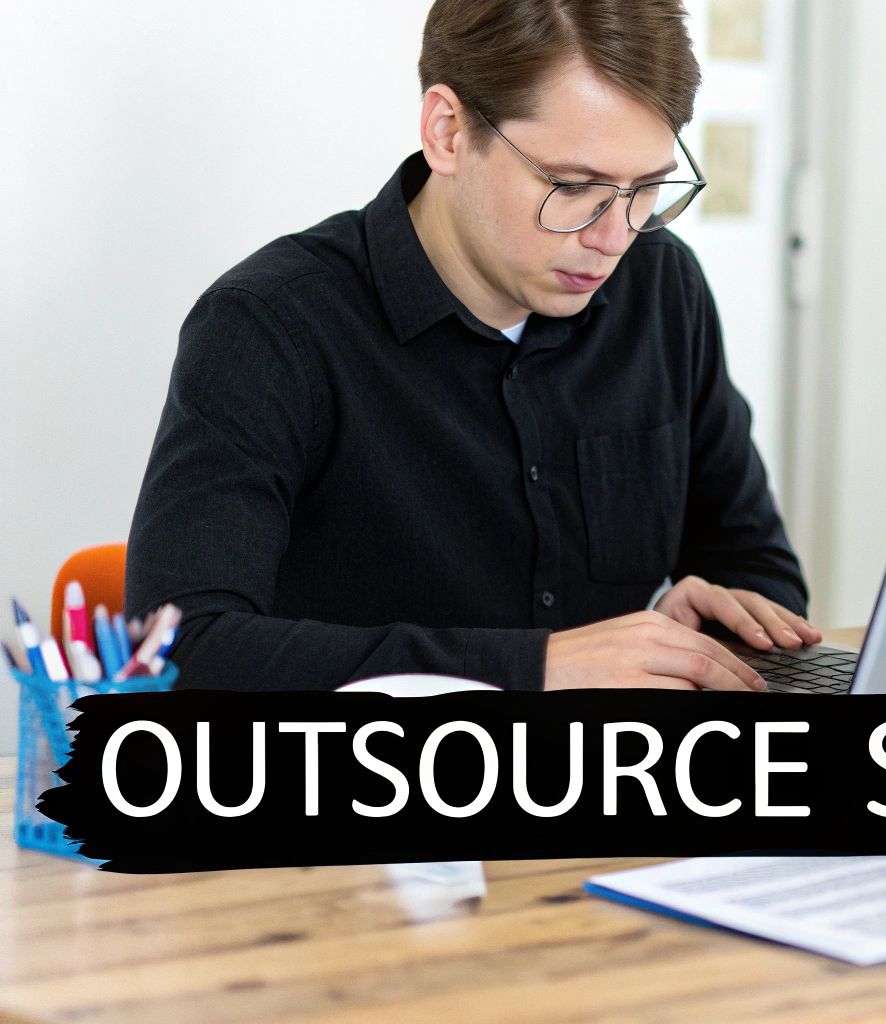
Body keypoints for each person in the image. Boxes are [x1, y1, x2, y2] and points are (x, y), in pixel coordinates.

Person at [125, 0, 821, 693]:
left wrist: (712, 636)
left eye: (645, 188)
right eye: (573, 186)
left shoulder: (663, 290)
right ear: (448, 132)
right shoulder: (269, 327)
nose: (614, 237)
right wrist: (535, 669)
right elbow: (186, 651)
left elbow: (757, 566)